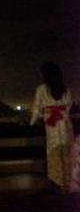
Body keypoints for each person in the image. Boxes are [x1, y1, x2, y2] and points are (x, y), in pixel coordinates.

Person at [30, 62, 74, 191]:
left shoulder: (41, 89)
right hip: (64, 122)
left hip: (51, 123)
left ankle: (57, 182)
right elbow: (69, 105)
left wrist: (32, 122)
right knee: (66, 151)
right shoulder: (65, 89)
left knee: (53, 151)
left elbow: (37, 108)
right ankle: (69, 181)